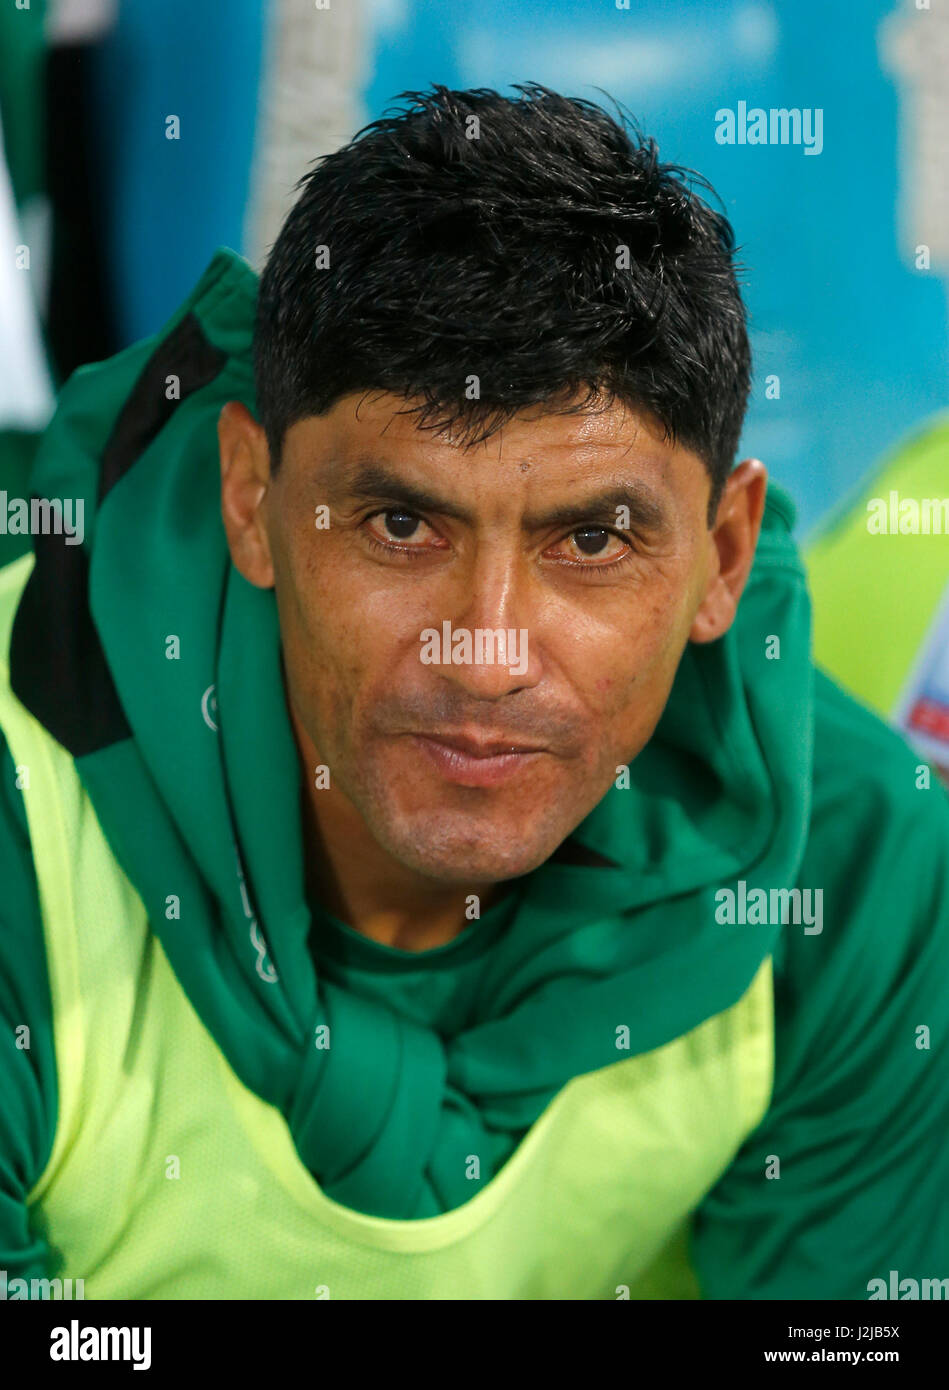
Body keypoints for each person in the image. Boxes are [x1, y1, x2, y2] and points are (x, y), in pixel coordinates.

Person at [1, 84, 947, 1301]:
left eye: (591, 542)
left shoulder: (851, 869)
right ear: (252, 500)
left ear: (721, 558)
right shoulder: (26, 820)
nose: (486, 652)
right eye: (401, 523)